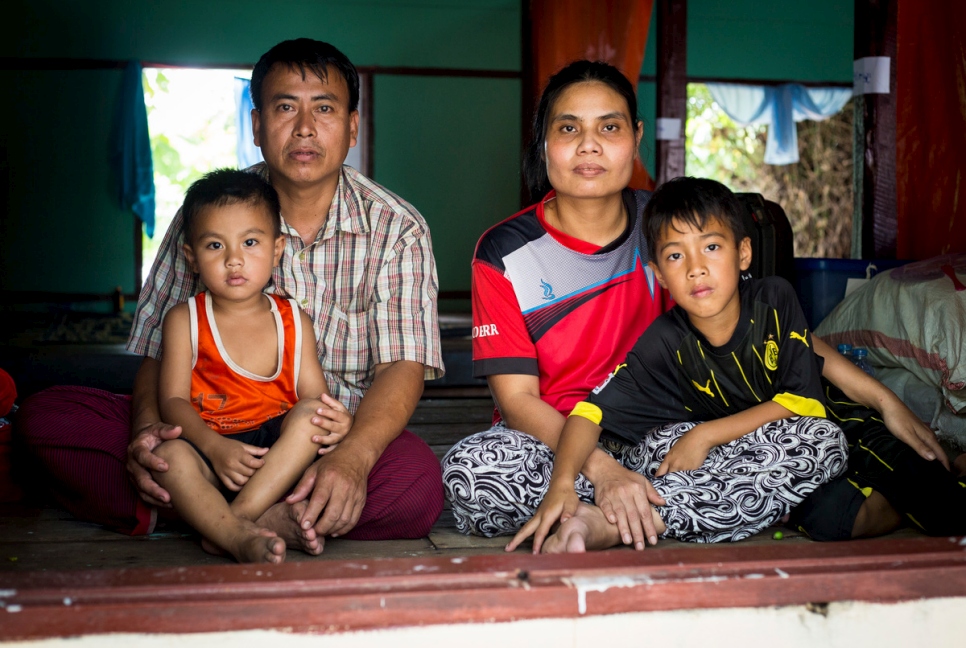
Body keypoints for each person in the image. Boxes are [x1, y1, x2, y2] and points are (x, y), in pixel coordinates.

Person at [442, 59, 952, 551]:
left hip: (673, 438)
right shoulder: (504, 252)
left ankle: (611, 522)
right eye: (569, 129)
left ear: (636, 138)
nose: (590, 145)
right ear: (544, 142)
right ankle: (676, 509)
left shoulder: (668, 229)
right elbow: (518, 403)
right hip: (559, 447)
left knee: (815, 441)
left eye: (610, 127)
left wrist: (886, 402)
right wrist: (602, 471)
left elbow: (774, 329)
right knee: (473, 472)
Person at [16, 39, 445, 551]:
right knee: (45, 419)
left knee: (417, 485)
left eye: (325, 109)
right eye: (285, 107)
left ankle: (207, 517)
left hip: (323, 442)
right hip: (203, 436)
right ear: (258, 125)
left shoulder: (398, 229)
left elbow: (404, 365)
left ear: (352, 127)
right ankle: (270, 518)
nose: (305, 128)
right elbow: (157, 351)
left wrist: (353, 459)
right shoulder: (210, 213)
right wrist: (150, 436)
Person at [508, 176, 851, 552]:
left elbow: (805, 404)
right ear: (659, 275)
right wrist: (562, 482)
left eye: (712, 247)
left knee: (823, 441)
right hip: (661, 457)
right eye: (675, 255)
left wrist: (704, 435)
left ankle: (610, 523)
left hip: (729, 452)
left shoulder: (774, 300)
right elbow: (588, 415)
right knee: (473, 469)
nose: (695, 268)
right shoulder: (664, 339)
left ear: (743, 253)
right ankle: (620, 506)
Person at [153, 169, 353, 563]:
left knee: (313, 415)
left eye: (249, 242)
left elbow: (317, 399)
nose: (233, 260)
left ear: (277, 249)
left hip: (277, 463)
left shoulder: (293, 318)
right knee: (169, 458)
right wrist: (213, 447)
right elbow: (173, 401)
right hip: (212, 450)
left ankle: (233, 524)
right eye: (214, 245)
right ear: (191, 257)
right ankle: (238, 532)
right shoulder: (185, 319)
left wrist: (338, 421)